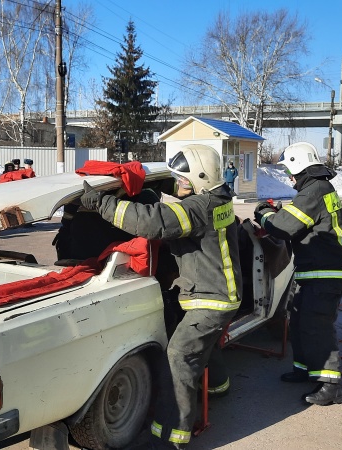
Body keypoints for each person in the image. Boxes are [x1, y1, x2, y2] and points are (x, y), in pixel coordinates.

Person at [80, 144, 242, 449]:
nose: (179, 185)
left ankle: (171, 437)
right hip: (221, 293)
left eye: (183, 180)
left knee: (179, 356)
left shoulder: (198, 209)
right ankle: (219, 387)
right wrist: (161, 182)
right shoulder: (218, 198)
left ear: (200, 178)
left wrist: (101, 203)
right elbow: (183, 194)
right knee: (203, 344)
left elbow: (151, 221)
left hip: (210, 299)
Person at [254, 142, 342, 406]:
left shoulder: (314, 190)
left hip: (327, 270)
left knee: (316, 325)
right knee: (298, 321)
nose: (289, 176)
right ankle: (305, 369)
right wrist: (278, 215)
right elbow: (298, 220)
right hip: (318, 269)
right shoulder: (316, 189)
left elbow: (283, 228)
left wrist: (264, 214)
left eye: (290, 170)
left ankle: (331, 386)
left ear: (299, 166)